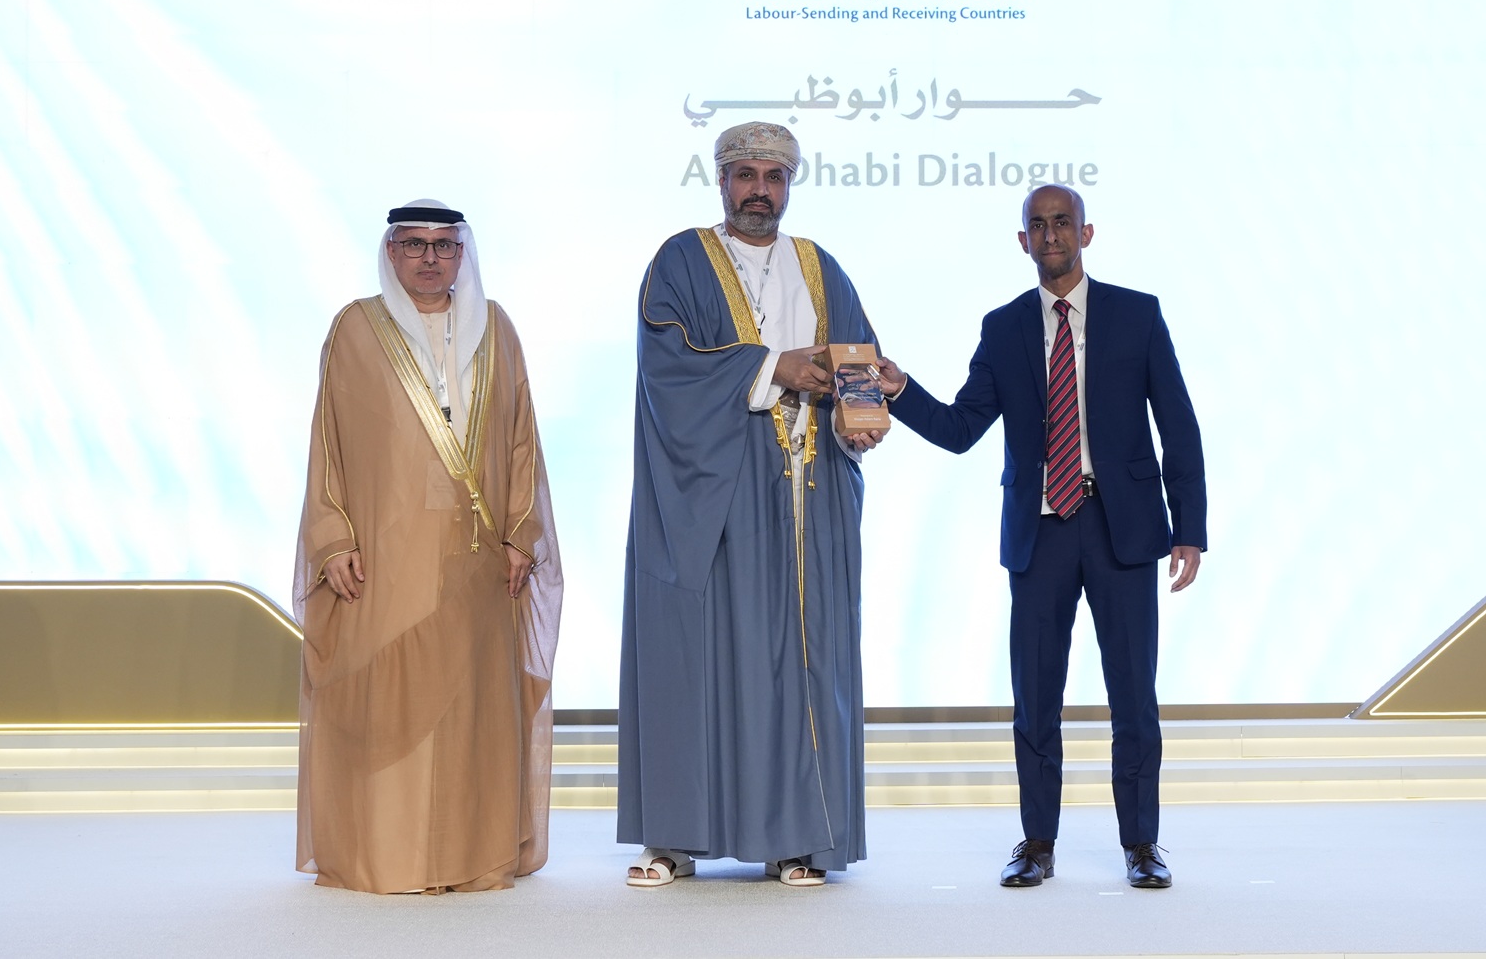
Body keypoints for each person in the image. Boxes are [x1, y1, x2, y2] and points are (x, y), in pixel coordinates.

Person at [876, 184, 1206, 891]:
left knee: (1133, 698)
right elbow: (961, 429)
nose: (1050, 234)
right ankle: (1036, 843)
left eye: (1062, 222)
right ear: (1022, 241)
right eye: (1037, 225)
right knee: (1034, 698)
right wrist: (899, 390)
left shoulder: (1138, 314)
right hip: (1041, 532)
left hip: (1123, 531)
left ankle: (1141, 844)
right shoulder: (1003, 329)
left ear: (1086, 234)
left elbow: (1177, 424)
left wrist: (1190, 529)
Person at [619, 122, 885, 888]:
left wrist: (862, 409)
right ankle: (673, 839)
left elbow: (855, 359)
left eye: (773, 176)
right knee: (695, 657)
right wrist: (776, 367)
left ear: (789, 183)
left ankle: (797, 839)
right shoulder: (680, 261)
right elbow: (667, 368)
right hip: (715, 495)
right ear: (721, 180)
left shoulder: (819, 267)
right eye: (745, 175)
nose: (758, 190)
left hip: (806, 496)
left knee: (800, 667)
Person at [292, 199, 563, 894]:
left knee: (469, 706)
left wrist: (521, 532)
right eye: (413, 245)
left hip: (479, 553)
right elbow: (328, 441)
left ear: (461, 254)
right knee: (389, 696)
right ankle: (390, 854)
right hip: (386, 548)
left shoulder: (495, 326)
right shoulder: (356, 327)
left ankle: (468, 855)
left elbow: (522, 438)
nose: (429, 259)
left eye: (444, 246)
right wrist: (332, 538)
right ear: (391, 253)